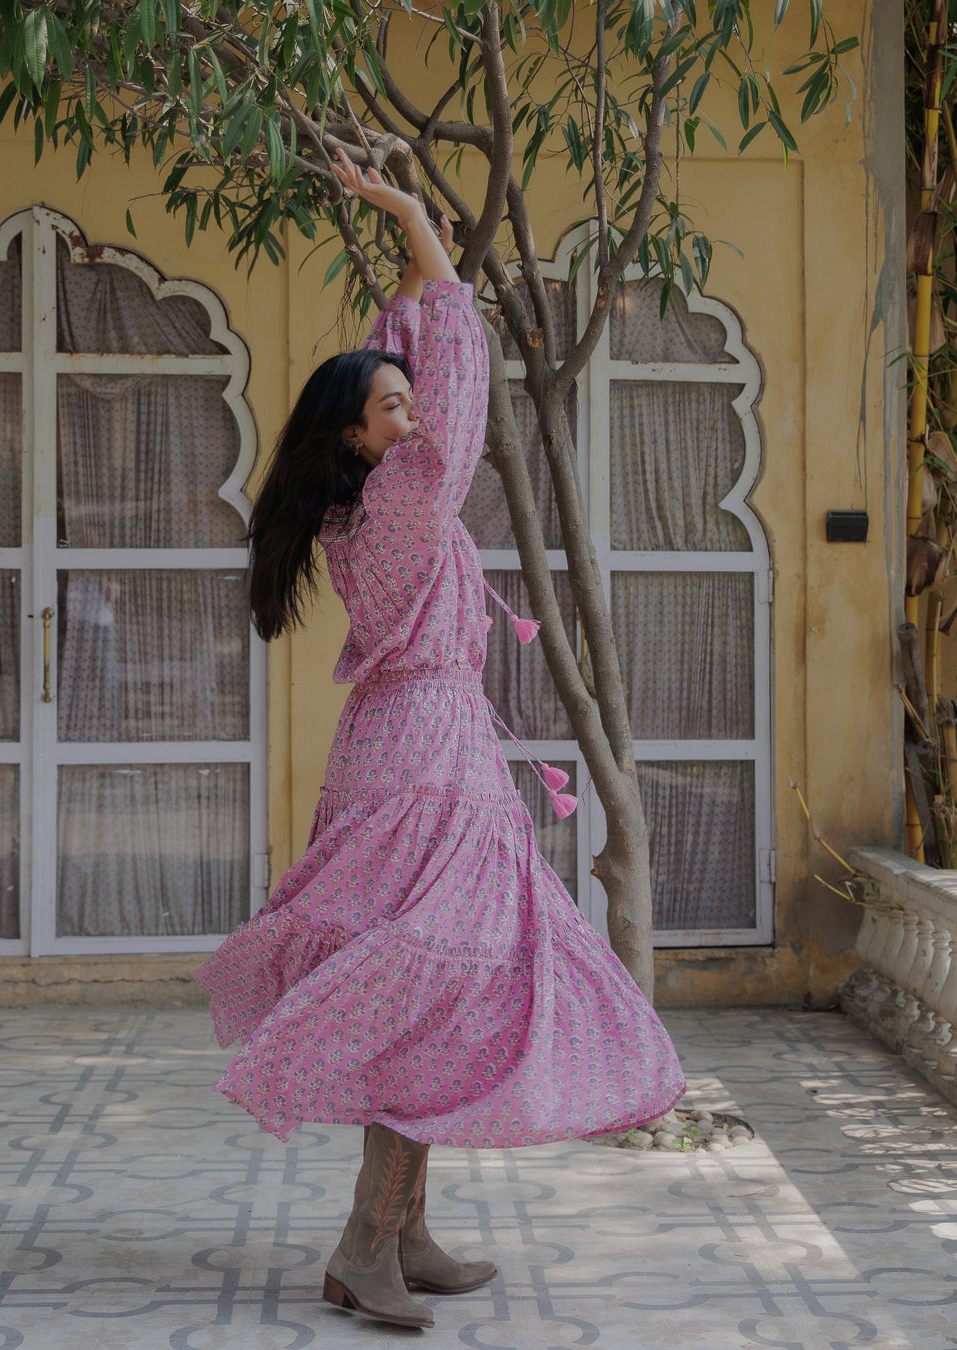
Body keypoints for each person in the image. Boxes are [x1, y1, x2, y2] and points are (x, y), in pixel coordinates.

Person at [196, 149, 686, 1331]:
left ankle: (403, 1235)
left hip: (418, 744)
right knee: (428, 985)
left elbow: (418, 363)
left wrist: (400, 294)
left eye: (408, 404)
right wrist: (416, 218)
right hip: (421, 755)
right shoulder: (402, 499)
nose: (415, 416)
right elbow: (458, 376)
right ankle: (368, 1244)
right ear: (361, 441)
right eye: (392, 409)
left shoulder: (363, 499)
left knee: (445, 986)